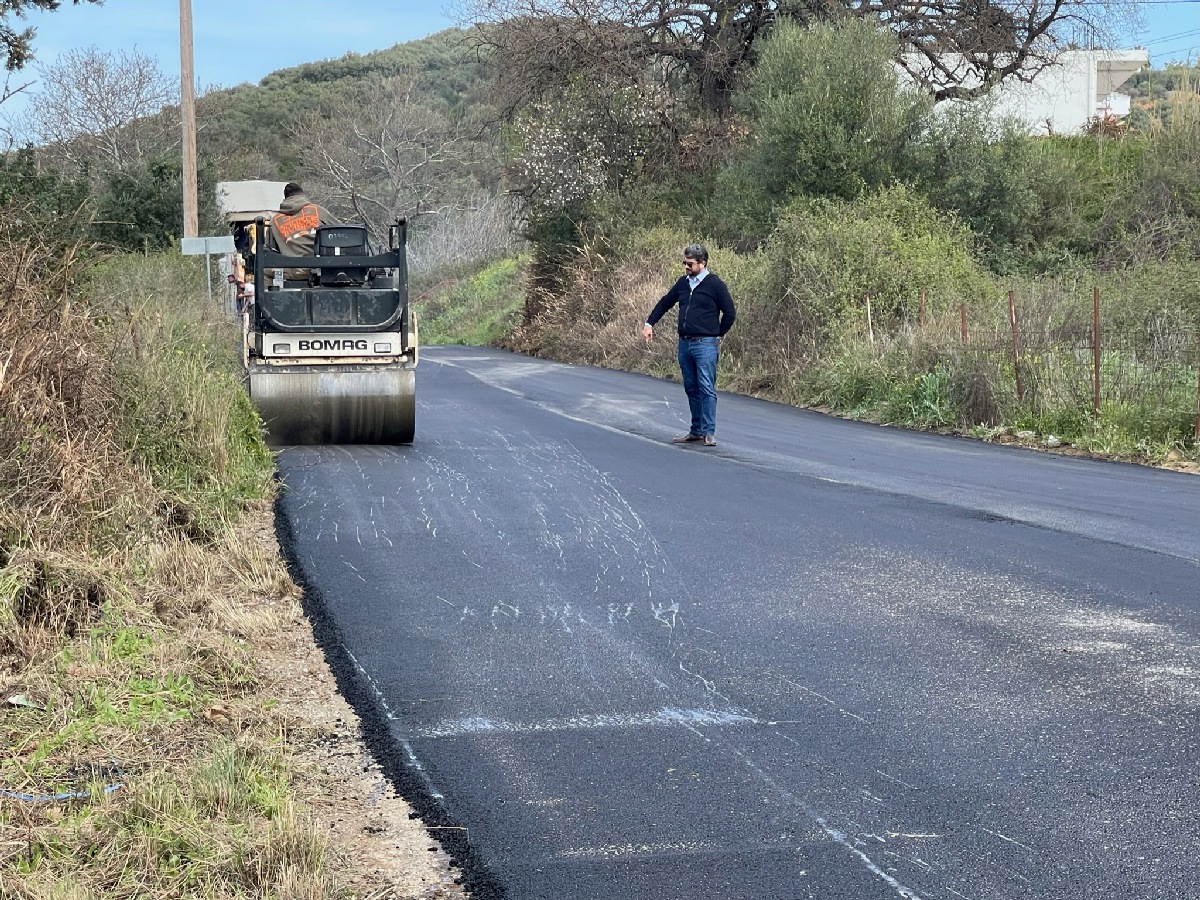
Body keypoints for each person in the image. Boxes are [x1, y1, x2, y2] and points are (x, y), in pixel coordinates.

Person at [642, 243, 736, 447]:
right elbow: (665, 302)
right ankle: (696, 430)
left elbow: (730, 312)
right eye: (684, 262)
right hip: (685, 344)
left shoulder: (715, 285)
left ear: (702, 263)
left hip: (705, 344)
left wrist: (718, 333)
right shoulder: (683, 284)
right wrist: (649, 323)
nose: (686, 266)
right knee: (691, 387)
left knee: (706, 387)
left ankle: (709, 432)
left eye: (690, 263)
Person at [265, 182, 334, 282]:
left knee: (264, 273)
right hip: (321, 267)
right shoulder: (317, 210)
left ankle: (270, 297)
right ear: (302, 195)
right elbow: (343, 232)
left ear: (285, 198)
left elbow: (270, 250)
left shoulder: (274, 221)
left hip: (294, 270)